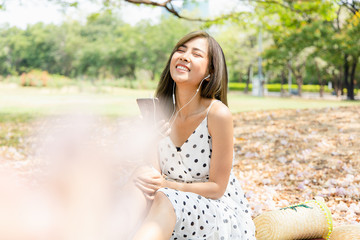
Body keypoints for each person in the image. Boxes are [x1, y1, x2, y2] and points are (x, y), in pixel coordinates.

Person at [132, 31, 256, 240]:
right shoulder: (159, 113)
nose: (184, 56)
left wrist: (168, 186)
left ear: (210, 72)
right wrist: (148, 151)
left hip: (216, 214)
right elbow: (156, 175)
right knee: (137, 186)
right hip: (169, 208)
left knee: (165, 196)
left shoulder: (217, 114)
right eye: (180, 50)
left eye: (196, 54)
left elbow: (217, 188)